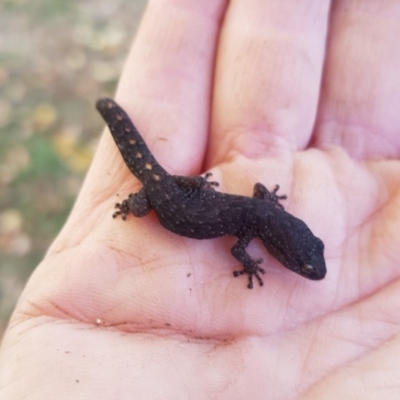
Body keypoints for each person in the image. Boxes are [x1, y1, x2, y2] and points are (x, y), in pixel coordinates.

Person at [1, 1, 400, 398]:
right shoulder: (250, 232)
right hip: (162, 202)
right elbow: (240, 252)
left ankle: (152, 181)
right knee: (139, 205)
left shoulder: (260, 209)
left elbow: (262, 194)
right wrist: (247, 263)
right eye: (303, 262)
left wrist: (201, 188)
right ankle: (134, 201)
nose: (309, 268)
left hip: (180, 190)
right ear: (280, 244)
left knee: (158, 177)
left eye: (307, 259)